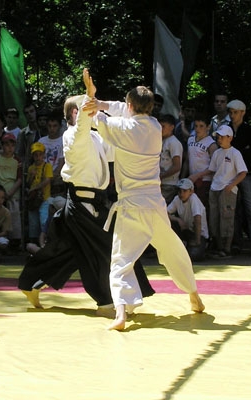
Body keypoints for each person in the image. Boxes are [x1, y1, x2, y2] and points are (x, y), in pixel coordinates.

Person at [18, 69, 154, 313]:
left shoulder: (96, 138)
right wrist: (89, 99)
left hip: (91, 204)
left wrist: (136, 124)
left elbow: (120, 142)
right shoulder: (73, 136)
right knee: (105, 249)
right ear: (76, 112)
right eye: (89, 107)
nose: (96, 111)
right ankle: (108, 300)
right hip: (82, 205)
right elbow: (82, 127)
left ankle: (32, 282)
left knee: (70, 250)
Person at [84, 76, 204, 331]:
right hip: (155, 203)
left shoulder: (124, 130)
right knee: (172, 247)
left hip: (132, 207)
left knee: (120, 260)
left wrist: (90, 96)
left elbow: (97, 119)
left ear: (130, 106)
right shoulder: (153, 126)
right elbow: (118, 110)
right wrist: (100, 101)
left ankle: (121, 314)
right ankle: (193, 294)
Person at [191, 125, 247, 258]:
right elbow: (212, 169)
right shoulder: (217, 153)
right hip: (215, 187)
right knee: (214, 217)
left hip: (227, 189)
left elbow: (243, 172)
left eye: (222, 137)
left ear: (230, 138)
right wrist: (198, 175)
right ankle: (217, 245)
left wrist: (231, 185)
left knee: (226, 218)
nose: (219, 139)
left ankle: (226, 248)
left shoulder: (235, 153)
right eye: (218, 137)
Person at [227, 99, 251, 255]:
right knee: (234, 210)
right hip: (230, 175)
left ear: (243, 113)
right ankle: (235, 243)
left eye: (235, 112)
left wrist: (234, 152)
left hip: (248, 174)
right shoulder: (226, 128)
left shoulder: (250, 130)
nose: (232, 115)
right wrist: (241, 151)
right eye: (230, 112)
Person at [0, 133, 22, 247]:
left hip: (13, 194)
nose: (9, 148)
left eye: (12, 145)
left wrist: (10, 193)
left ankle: (15, 242)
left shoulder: (17, 161)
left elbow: (19, 179)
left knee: (14, 218)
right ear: (2, 145)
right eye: (6, 145)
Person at [167, 178, 209, 261]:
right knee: (171, 223)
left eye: (184, 191)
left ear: (191, 191)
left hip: (199, 235)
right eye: (179, 191)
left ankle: (197, 247)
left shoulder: (194, 199)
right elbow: (164, 213)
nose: (181, 194)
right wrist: (178, 220)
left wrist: (197, 241)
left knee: (193, 256)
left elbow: (197, 219)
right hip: (186, 231)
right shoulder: (177, 199)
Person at [186, 113, 218, 213]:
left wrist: (198, 175)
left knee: (202, 207)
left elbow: (214, 166)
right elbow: (187, 160)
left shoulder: (211, 144)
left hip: (204, 180)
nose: (197, 129)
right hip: (191, 179)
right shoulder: (190, 139)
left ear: (208, 127)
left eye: (201, 126)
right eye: (195, 126)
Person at [25, 141, 52, 245]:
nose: (38, 157)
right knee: (33, 223)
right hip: (33, 199)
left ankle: (45, 241)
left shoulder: (47, 166)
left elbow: (47, 180)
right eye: (35, 155)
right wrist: (31, 176)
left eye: (40, 154)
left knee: (43, 220)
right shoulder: (31, 168)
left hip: (44, 198)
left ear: (44, 155)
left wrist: (35, 188)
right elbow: (28, 183)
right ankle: (34, 243)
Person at [38, 113, 66, 199]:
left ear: (60, 126)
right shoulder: (41, 141)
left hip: (57, 180)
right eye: (49, 126)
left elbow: (62, 162)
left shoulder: (63, 141)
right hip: (42, 178)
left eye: (55, 126)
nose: (52, 129)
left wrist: (52, 176)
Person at [159, 114, 183, 203]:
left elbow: (177, 166)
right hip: (160, 182)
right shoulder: (161, 141)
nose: (160, 129)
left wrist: (161, 176)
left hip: (169, 184)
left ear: (172, 127)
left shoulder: (174, 143)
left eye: (163, 126)